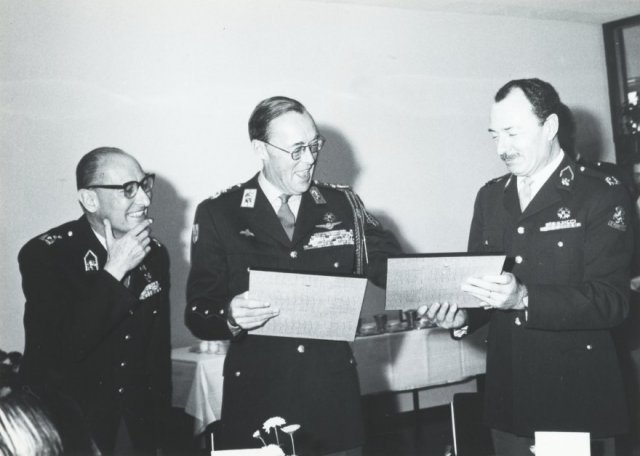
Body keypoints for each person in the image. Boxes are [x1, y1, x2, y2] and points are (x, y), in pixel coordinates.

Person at [419, 78, 633, 455]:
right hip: (510, 396)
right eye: (494, 136)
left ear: (549, 127)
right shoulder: (490, 197)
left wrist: (524, 298)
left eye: (512, 133)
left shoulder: (601, 192)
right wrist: (462, 316)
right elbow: (480, 287)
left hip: (575, 396)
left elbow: (611, 301)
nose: (502, 148)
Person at [186, 96, 401, 456]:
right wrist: (230, 315)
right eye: (297, 149)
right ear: (261, 149)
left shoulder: (343, 205)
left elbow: (392, 266)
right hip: (258, 401)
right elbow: (198, 312)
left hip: (332, 401)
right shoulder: (219, 213)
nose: (310, 159)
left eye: (315, 145)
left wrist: (443, 292)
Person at [18, 147, 172, 455]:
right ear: (90, 200)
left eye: (145, 185)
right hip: (69, 427)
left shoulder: (154, 253)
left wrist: (160, 432)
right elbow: (61, 351)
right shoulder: (46, 254)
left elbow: (156, 354)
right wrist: (114, 271)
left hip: (135, 426)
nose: (144, 200)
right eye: (128, 189)